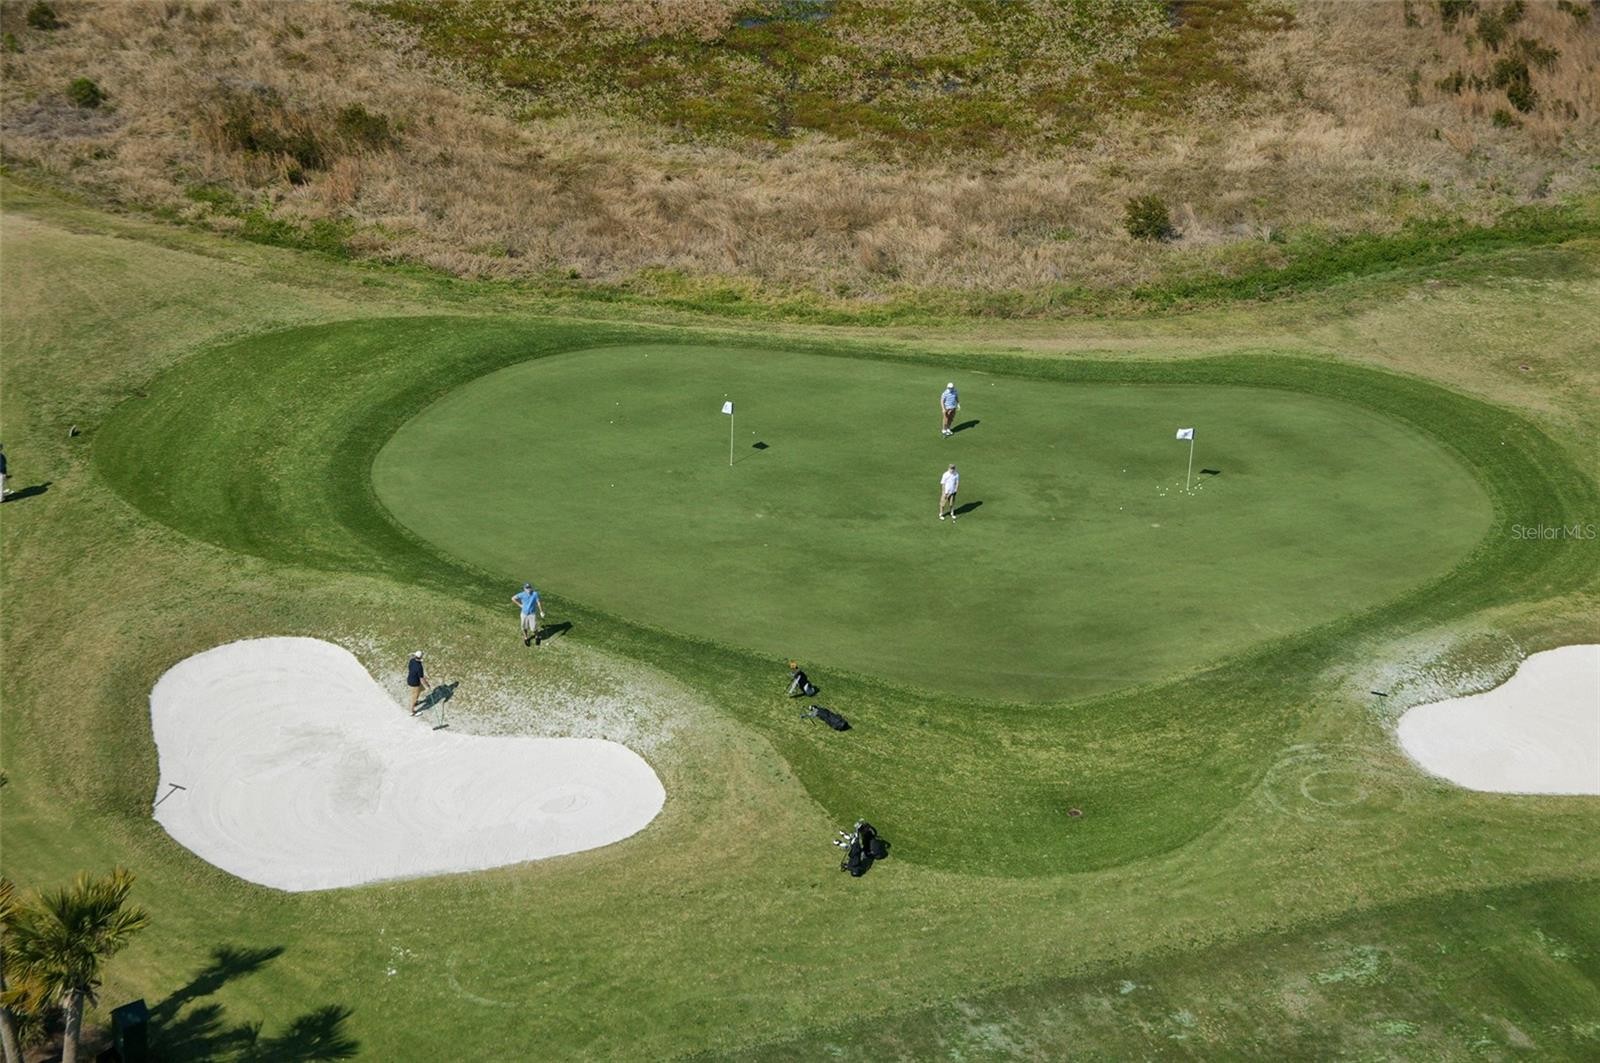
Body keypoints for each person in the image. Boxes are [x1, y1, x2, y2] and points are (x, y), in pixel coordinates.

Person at [405, 650, 432, 715]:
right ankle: (412, 711)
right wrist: (427, 685)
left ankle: (416, 702)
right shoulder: (419, 667)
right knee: (414, 697)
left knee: (420, 689)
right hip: (415, 683)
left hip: (410, 679)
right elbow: (422, 678)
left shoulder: (412, 660)